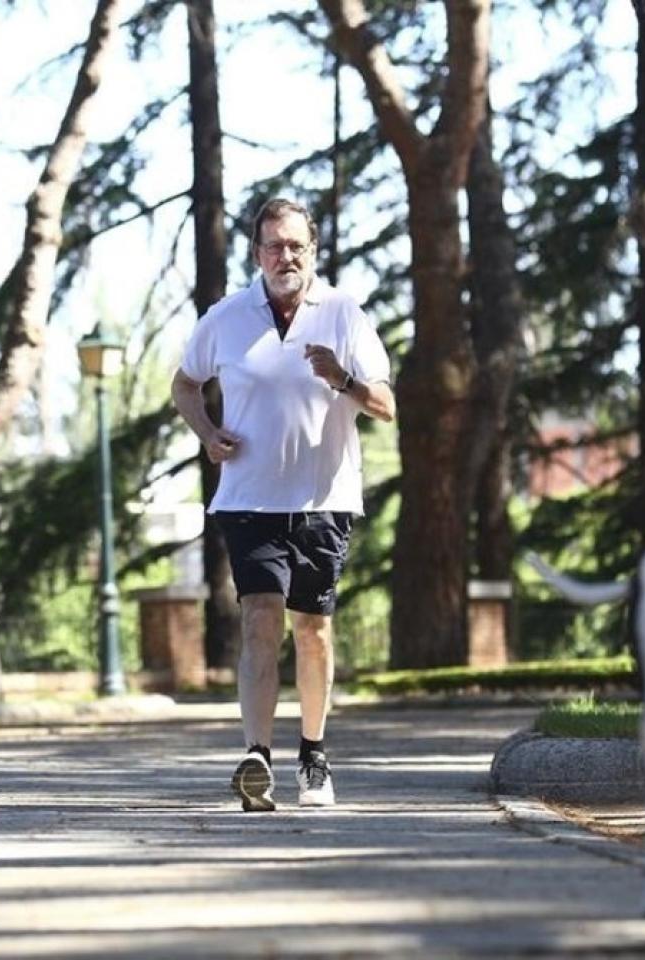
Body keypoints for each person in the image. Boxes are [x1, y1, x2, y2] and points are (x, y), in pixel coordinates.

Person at [171, 197, 396, 811]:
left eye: (295, 245)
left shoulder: (344, 314)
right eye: (273, 245)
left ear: (312, 251)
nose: (284, 256)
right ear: (257, 253)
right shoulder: (226, 317)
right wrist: (207, 431)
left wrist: (343, 380)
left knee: (314, 631)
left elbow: (385, 403)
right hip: (248, 498)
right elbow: (184, 384)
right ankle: (257, 756)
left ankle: (314, 757)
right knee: (260, 616)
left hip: (325, 499)